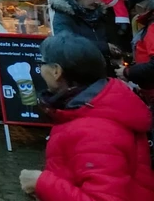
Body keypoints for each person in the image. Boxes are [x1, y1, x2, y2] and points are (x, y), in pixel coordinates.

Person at [19, 33, 154, 199]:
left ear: (56, 71)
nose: (40, 70)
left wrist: (40, 183)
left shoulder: (95, 131)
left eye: (42, 63)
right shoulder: (92, 108)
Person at [51, 0, 120, 61]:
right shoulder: (64, 15)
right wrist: (104, 47)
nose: (97, 1)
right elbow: (67, 43)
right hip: (77, 66)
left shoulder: (101, 15)